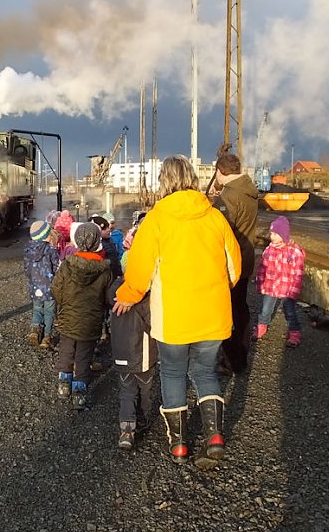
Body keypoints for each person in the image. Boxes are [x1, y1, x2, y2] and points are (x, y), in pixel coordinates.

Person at [114, 155, 242, 468]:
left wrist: (126, 296)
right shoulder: (214, 218)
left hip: (173, 318)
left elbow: (139, 272)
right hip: (213, 315)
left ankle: (180, 443)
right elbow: (234, 269)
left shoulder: (157, 220)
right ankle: (214, 437)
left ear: (165, 181)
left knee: (172, 373)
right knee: (205, 371)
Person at [51, 222, 113, 410]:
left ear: (76, 241)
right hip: (91, 319)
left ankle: (64, 384)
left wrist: (65, 304)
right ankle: (79, 390)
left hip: (69, 315)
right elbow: (109, 297)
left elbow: (56, 288)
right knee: (84, 355)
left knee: (67, 350)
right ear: (97, 243)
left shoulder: (67, 266)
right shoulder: (104, 270)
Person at [210, 153, 259, 374]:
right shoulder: (248, 191)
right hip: (247, 255)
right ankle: (240, 355)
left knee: (227, 311)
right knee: (240, 307)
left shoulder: (228, 198)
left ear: (220, 172)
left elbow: (220, 232)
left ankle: (233, 359)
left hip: (231, 261)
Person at [110, 232, 158, 452]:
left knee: (126, 391)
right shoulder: (145, 299)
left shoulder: (114, 291)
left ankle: (126, 430)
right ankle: (143, 420)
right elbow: (152, 325)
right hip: (143, 353)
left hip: (120, 352)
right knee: (145, 390)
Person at [255, 216, 305, 347]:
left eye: (276, 234)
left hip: (287, 288)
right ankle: (261, 327)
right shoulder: (269, 250)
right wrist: (260, 283)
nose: (272, 236)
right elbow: (262, 268)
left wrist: (294, 291)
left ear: (284, 235)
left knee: (289, 311)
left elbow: (298, 273)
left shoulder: (294, 252)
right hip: (271, 286)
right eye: (272, 233)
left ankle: (294, 332)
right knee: (265, 309)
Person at [23, 220, 60, 349]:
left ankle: (35, 330)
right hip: (49, 286)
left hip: (35, 285)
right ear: (46, 235)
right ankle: (46, 337)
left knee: (37, 309)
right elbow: (56, 267)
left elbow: (26, 269)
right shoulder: (51, 249)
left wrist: (32, 279)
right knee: (49, 311)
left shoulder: (28, 250)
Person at [90, 215, 122, 279]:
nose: (108, 230)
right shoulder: (96, 245)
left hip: (113, 275)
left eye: (108, 227)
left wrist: (119, 272)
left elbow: (115, 258)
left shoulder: (110, 241)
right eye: (104, 228)